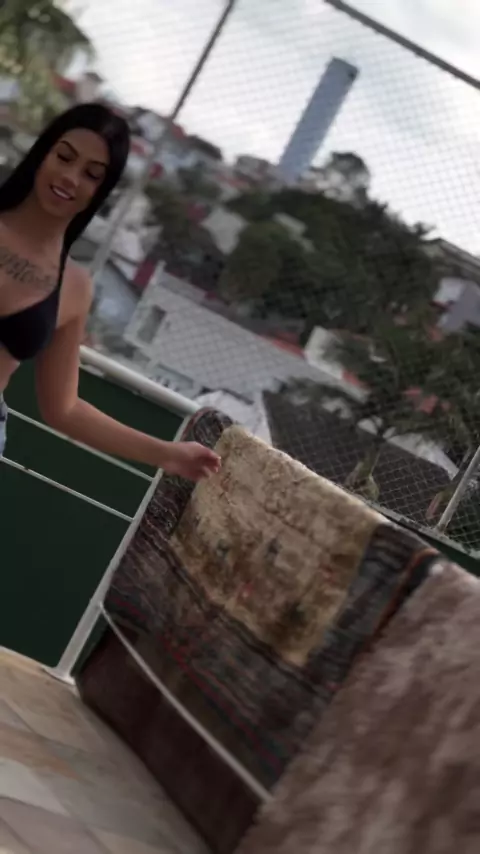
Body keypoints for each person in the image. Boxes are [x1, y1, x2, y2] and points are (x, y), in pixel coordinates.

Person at [0, 103, 220, 481]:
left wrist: (167, 453)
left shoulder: (74, 287)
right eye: (64, 157)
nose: (70, 177)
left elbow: (63, 409)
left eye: (91, 174)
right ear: (42, 152)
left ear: (100, 190)